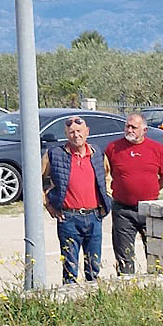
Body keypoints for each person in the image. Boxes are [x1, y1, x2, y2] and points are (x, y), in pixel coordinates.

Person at [43, 116, 111, 284]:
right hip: (68, 218)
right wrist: (49, 205)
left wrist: (107, 199)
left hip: (94, 217)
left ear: (87, 132)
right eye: (71, 132)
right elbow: (37, 179)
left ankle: (94, 297)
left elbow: (107, 177)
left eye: (79, 131)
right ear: (66, 134)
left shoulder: (97, 153)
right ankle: (71, 297)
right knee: (70, 268)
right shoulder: (54, 154)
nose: (76, 135)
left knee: (94, 267)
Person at [104, 112, 163, 275]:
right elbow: (105, 173)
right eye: (127, 126)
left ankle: (156, 285)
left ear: (144, 130)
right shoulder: (113, 148)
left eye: (134, 127)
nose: (129, 130)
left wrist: (152, 190)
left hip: (150, 209)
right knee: (124, 256)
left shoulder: (156, 148)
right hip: (123, 210)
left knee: (156, 254)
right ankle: (127, 285)